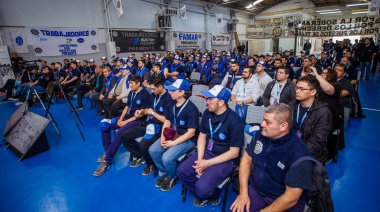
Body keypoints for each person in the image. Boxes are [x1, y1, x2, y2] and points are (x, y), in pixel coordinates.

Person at [230, 103, 313, 212]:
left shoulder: (299, 155)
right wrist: (243, 193)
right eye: (263, 120)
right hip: (257, 190)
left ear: (283, 126)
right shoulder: (261, 135)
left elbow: (291, 198)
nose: (262, 124)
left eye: (267, 122)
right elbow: (246, 160)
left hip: (282, 198)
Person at [177, 85, 244, 207]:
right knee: (181, 171)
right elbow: (202, 137)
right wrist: (200, 159)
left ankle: (211, 194)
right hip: (207, 152)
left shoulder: (235, 121)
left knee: (202, 188)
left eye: (210, 99)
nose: (206, 102)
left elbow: (234, 153)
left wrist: (207, 163)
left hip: (225, 159)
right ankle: (205, 189)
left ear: (221, 102)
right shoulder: (208, 113)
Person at [93, 75, 151, 176]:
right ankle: (108, 151)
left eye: (132, 83)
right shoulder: (132, 92)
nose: (130, 84)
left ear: (138, 84)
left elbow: (142, 114)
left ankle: (107, 160)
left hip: (137, 121)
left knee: (120, 132)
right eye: (130, 82)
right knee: (104, 125)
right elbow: (126, 106)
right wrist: (121, 118)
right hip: (125, 118)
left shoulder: (145, 94)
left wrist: (125, 122)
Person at [149, 79, 198, 191]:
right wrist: (163, 137)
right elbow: (167, 121)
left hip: (187, 138)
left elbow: (191, 133)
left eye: (173, 90)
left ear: (182, 92)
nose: (170, 92)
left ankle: (173, 177)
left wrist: (173, 143)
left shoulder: (192, 109)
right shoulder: (171, 104)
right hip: (173, 134)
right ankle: (167, 172)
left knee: (167, 157)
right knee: (153, 150)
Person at [120, 77, 172, 175]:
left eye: (153, 89)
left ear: (160, 87)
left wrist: (152, 113)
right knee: (124, 136)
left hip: (160, 127)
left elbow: (167, 120)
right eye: (151, 89)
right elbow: (149, 109)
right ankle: (140, 155)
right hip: (149, 124)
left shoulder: (168, 99)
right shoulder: (153, 95)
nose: (151, 91)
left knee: (143, 145)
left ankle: (150, 164)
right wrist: (143, 111)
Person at [289, 75, 332, 163]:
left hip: (310, 156)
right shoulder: (291, 105)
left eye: (302, 89)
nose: (297, 91)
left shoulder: (323, 112)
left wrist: (296, 154)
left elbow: (317, 142)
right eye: (297, 88)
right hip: (290, 148)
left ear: (313, 92)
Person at [335, 64, 355, 128]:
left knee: (343, 120)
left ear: (344, 74)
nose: (337, 71)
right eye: (336, 69)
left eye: (340, 70)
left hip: (343, 105)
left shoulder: (346, 82)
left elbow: (344, 93)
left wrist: (330, 92)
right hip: (330, 103)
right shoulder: (328, 80)